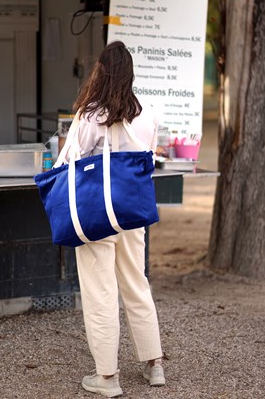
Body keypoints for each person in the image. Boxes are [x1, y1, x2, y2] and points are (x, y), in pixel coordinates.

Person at [72, 40, 165, 398]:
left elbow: (71, 163)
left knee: (101, 291)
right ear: (131, 74)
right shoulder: (147, 114)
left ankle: (107, 378)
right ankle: (154, 363)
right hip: (132, 211)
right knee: (136, 283)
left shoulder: (90, 115)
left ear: (101, 71)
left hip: (97, 213)